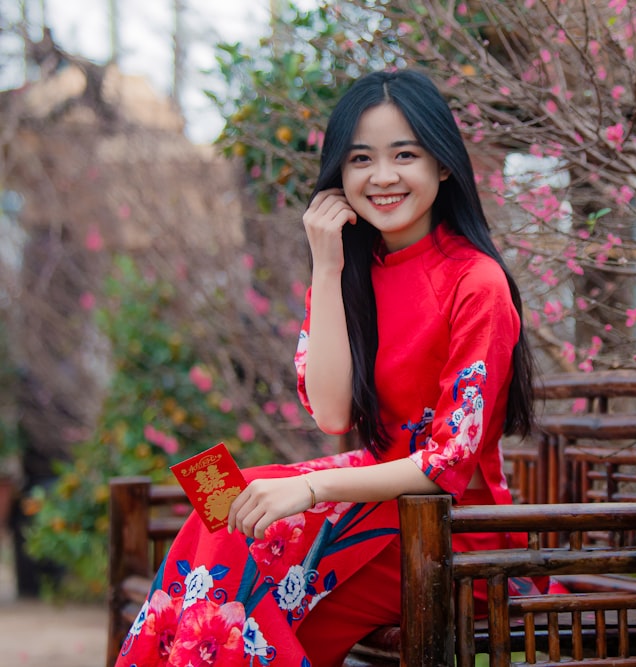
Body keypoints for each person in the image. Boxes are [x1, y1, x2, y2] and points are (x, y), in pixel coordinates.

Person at [114, 68, 541, 667]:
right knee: (226, 510)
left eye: (405, 155)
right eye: (361, 158)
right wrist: (325, 263)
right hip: (374, 506)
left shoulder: (476, 282)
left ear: (443, 165)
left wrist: (309, 488)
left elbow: (446, 464)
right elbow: (333, 410)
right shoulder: (350, 270)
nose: (383, 176)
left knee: (240, 572)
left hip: (446, 529)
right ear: (339, 176)